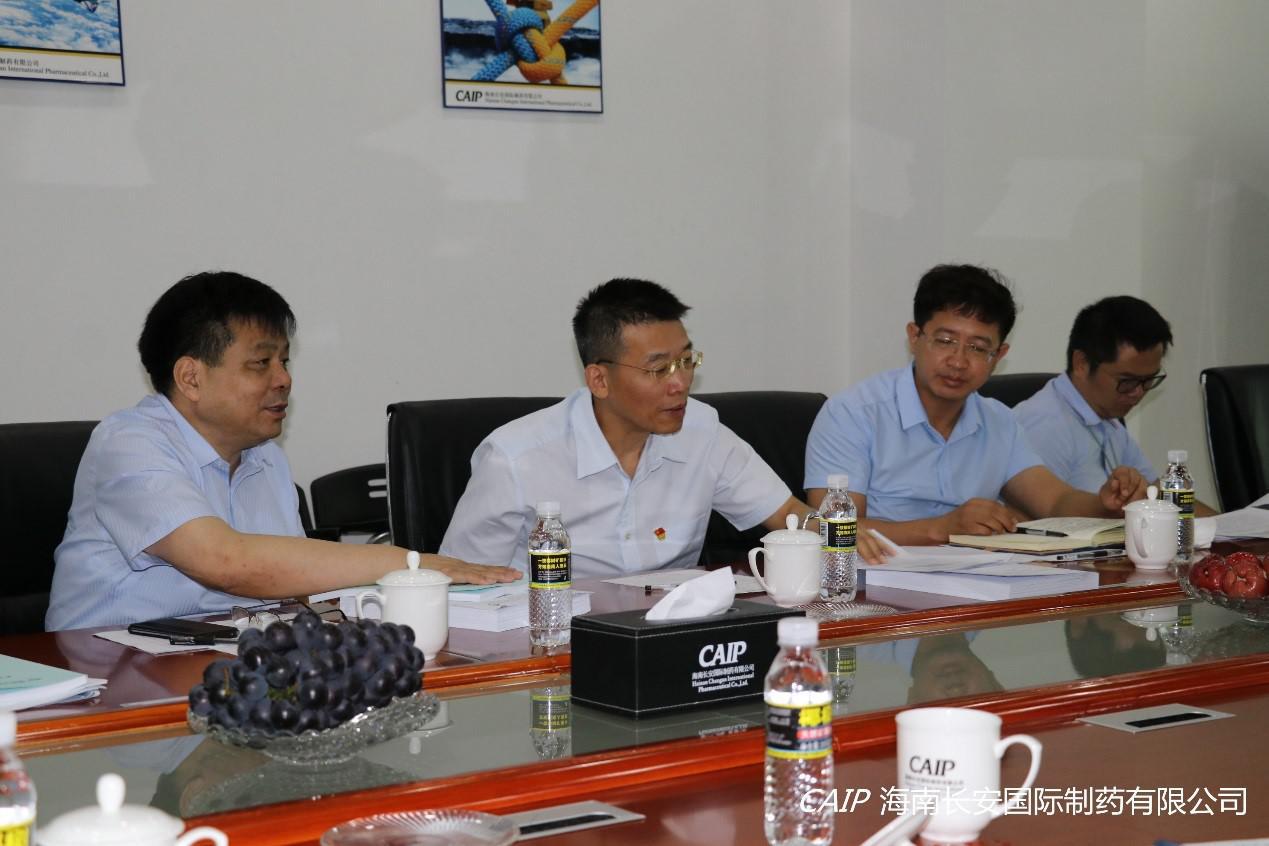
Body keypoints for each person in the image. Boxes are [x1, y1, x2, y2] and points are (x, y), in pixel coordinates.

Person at [46, 271, 518, 631]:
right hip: (106, 677)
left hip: (226, 669)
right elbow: (228, 564)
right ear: (191, 377)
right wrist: (412, 564)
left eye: (285, 361)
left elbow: (292, 583)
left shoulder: (263, 455)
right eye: (261, 363)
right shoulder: (128, 443)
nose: (284, 379)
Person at [440, 277, 815, 578]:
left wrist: (838, 531)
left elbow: (790, 515)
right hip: (553, 634)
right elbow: (463, 581)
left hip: (670, 632)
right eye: (659, 369)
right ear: (599, 380)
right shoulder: (515, 459)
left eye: (686, 361)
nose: (680, 383)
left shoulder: (703, 432)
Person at [804, 264, 1148, 563]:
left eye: (978, 348)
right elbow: (832, 528)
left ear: (999, 356)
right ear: (914, 337)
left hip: (977, 586)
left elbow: (1055, 501)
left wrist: (1106, 503)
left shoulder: (999, 421)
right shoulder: (853, 414)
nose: (958, 361)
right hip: (874, 587)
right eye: (945, 341)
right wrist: (942, 529)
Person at [1013, 296, 1217, 514]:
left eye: (1149, 380)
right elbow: (1040, 520)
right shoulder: (1044, 424)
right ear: (1081, 363)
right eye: (1127, 381)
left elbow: (1156, 495)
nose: (1138, 392)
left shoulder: (1107, 421)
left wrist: (1227, 527)